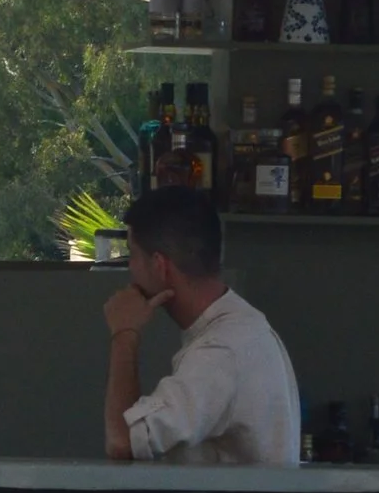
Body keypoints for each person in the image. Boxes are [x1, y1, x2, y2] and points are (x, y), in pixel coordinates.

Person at [102, 186, 302, 467]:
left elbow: (122, 441)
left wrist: (125, 333)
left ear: (160, 266)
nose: (130, 269)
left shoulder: (221, 351)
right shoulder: (242, 328)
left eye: (132, 256)